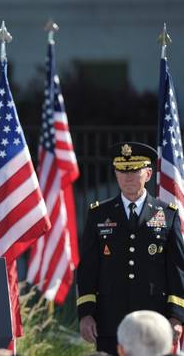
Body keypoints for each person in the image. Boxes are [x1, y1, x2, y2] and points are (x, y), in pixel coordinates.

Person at [77, 142, 184, 355]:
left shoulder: (167, 214)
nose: (128, 177)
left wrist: (176, 315)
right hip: (110, 319)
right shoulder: (98, 214)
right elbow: (88, 268)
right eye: (121, 171)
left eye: (134, 170)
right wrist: (86, 313)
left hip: (155, 318)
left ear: (148, 173)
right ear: (116, 173)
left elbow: (177, 269)